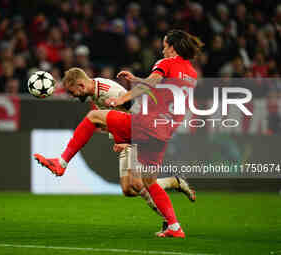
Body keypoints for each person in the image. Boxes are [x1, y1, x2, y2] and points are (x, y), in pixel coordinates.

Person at [34, 30, 203, 238]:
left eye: (165, 45)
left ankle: (61, 163)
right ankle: (175, 227)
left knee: (94, 116)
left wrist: (123, 99)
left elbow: (152, 84)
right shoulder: (192, 74)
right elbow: (162, 89)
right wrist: (137, 79)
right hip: (164, 132)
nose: (162, 49)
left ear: (172, 47)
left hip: (146, 124)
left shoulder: (165, 63)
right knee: (148, 181)